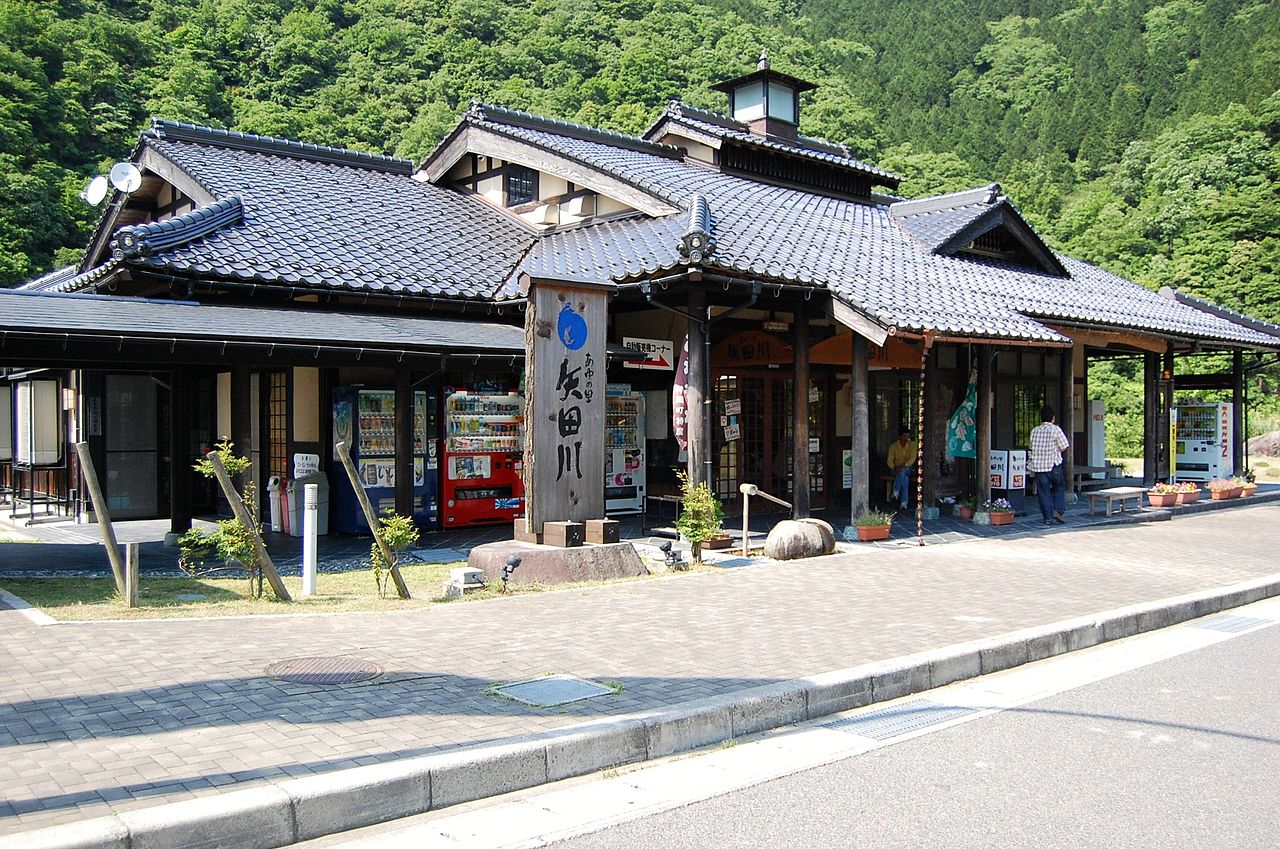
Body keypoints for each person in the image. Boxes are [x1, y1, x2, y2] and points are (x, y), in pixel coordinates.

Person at [1029, 405, 1070, 526]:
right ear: (1053, 418)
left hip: (1039, 467)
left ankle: (1048, 518)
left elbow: (1031, 447)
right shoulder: (1056, 429)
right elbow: (1064, 445)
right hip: (1053, 465)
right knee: (1059, 486)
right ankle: (1058, 510)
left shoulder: (1034, 430)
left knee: (1043, 492)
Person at [887, 428, 917, 511]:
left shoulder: (912, 445)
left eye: (908, 436)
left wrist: (904, 466)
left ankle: (896, 491)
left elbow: (912, 458)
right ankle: (904, 503)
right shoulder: (893, 447)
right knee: (905, 478)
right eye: (904, 436)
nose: (906, 438)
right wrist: (894, 467)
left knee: (903, 471)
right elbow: (889, 460)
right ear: (899, 436)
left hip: (907, 467)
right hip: (895, 468)